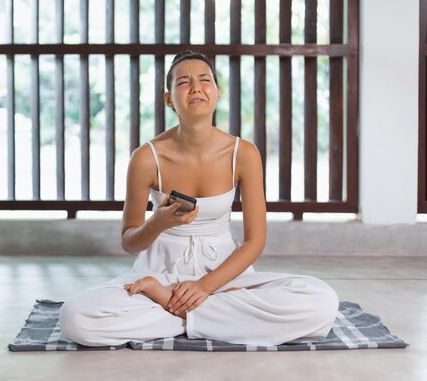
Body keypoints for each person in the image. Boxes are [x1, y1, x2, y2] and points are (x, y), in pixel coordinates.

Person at [59, 51, 339, 347]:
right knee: (75, 317)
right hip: (159, 272)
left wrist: (204, 287)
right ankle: (208, 317)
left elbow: (255, 241)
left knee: (321, 301)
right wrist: (159, 222)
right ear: (169, 100)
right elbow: (130, 242)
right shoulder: (145, 158)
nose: (195, 87)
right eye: (184, 82)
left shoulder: (243, 154)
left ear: (216, 93)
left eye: (204, 80)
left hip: (224, 279)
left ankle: (172, 310)